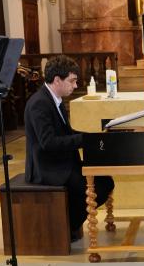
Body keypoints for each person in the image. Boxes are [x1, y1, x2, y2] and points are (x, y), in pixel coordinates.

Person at [24, 55, 114, 242]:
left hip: (61, 161)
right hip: (48, 168)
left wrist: (91, 137)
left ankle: (67, 225)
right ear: (57, 80)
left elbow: (66, 133)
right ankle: (63, 228)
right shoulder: (39, 103)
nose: (75, 86)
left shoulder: (54, 99)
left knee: (105, 181)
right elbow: (48, 143)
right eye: (72, 81)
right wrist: (84, 140)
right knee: (96, 187)